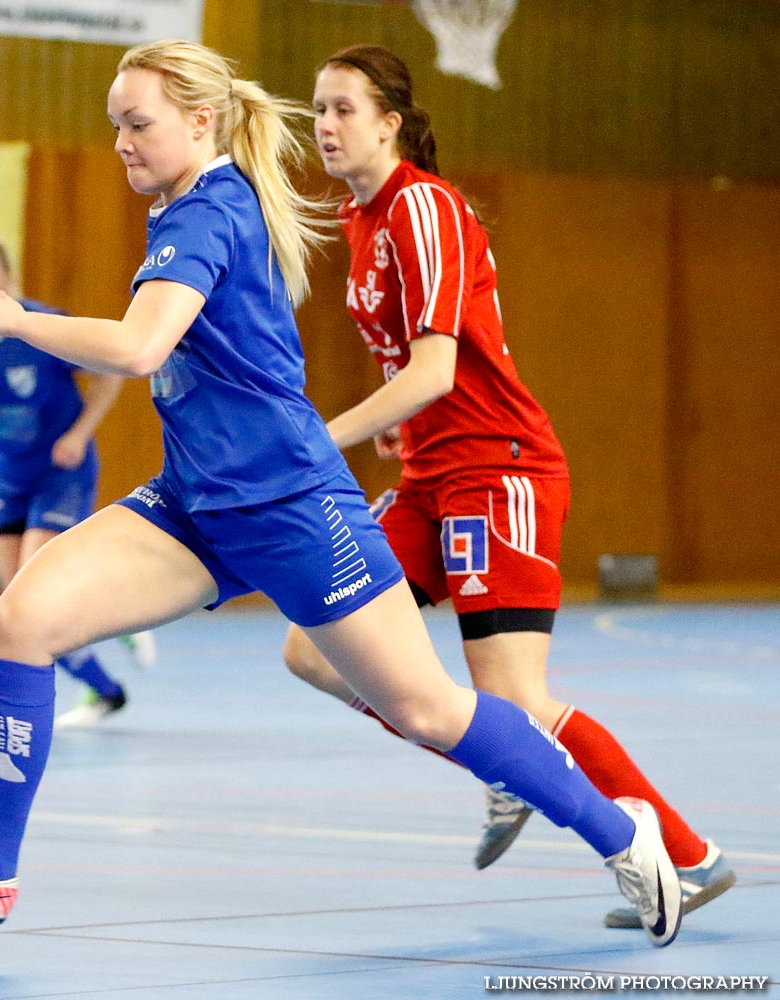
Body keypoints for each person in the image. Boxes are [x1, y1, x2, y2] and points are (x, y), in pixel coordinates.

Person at [0, 39, 683, 948]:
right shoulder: (182, 205)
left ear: (201, 120)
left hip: (296, 510)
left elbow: (142, 349)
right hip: (194, 506)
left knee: (428, 710)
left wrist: (21, 322)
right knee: (21, 621)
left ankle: (623, 834)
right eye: (114, 128)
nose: (123, 145)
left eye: (139, 124)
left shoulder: (209, 212)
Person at [283, 43, 733, 930]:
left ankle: (689, 857)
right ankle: (502, 765)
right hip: (429, 477)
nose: (325, 126)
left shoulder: (424, 207)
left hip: (499, 470)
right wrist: (392, 426)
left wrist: (326, 437)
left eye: (342, 109)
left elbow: (439, 370)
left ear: (391, 123)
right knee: (313, 650)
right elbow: (411, 368)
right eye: (318, 110)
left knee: (518, 697)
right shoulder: (362, 217)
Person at [0, 233, 156, 727]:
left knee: (36, 591)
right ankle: (107, 692)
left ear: (7, 279)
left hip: (62, 471)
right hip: (8, 477)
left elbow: (112, 373)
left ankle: (118, 614)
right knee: (18, 604)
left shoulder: (37, 325)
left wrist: (80, 433)